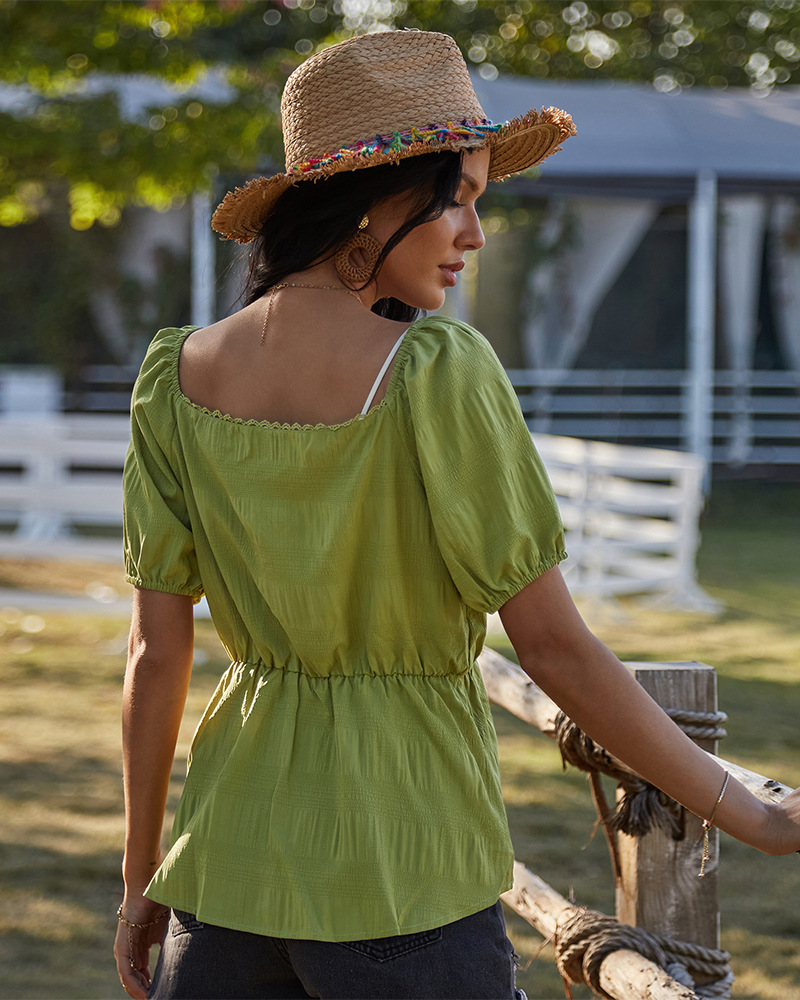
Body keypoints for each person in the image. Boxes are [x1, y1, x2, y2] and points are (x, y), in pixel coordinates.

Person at [114, 29, 800, 1000]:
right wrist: (746, 809)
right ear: (371, 202)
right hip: (407, 865)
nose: (476, 238)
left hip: (224, 869)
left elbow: (156, 652)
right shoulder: (436, 369)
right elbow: (555, 648)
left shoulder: (174, 376)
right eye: (460, 201)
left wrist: (141, 873)